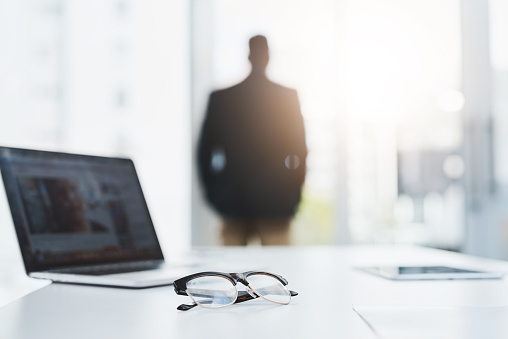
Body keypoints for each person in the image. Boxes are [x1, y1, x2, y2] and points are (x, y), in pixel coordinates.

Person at [198, 35, 307, 246]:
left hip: (234, 202)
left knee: (229, 274)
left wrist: (214, 194)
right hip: (274, 201)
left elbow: (204, 153)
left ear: (248, 56)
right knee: (281, 273)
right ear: (269, 57)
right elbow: (300, 153)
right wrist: (293, 194)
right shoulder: (287, 97)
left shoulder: (222, 98)